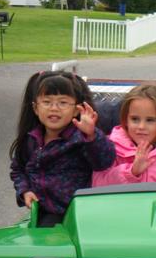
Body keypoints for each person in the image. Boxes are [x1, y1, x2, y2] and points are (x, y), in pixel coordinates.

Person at [9, 71, 116, 227]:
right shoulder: (31, 140)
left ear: (75, 110)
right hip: (46, 211)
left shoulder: (81, 138)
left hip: (79, 213)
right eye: (47, 102)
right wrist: (25, 191)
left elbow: (104, 162)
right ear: (36, 108)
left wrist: (92, 135)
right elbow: (18, 169)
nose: (54, 108)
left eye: (63, 102)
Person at [93, 82, 156, 185]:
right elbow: (97, 183)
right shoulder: (110, 148)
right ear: (126, 120)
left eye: (150, 120)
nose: (141, 126)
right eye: (135, 119)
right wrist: (132, 172)